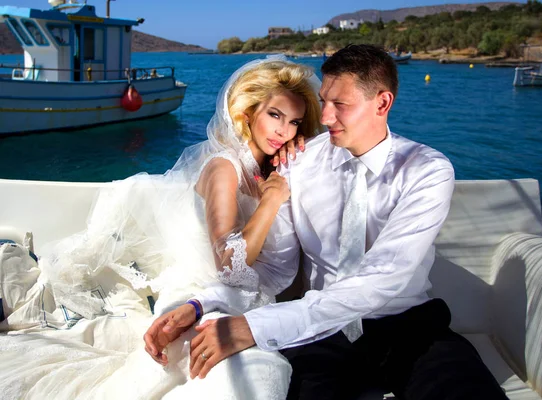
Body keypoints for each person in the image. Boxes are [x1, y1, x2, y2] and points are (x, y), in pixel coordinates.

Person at [146, 45, 509, 399]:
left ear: (382, 103)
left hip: (409, 327)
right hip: (321, 336)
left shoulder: (427, 170)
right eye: (324, 101)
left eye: (341, 105)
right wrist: (200, 304)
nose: (325, 117)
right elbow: (274, 271)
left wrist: (254, 327)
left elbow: (385, 276)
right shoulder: (297, 164)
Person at [0, 56, 322, 399]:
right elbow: (230, 267)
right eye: (275, 116)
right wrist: (272, 201)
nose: (283, 131)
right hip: (199, 291)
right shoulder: (224, 168)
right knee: (248, 377)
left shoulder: (270, 167)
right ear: (248, 113)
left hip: (242, 300)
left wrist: (293, 163)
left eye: (294, 122)